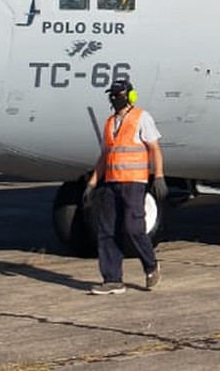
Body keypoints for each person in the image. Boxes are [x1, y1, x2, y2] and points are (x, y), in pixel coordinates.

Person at [84, 78, 167, 293]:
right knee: (107, 231)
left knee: (133, 229)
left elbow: (154, 148)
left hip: (134, 182)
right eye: (111, 94)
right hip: (111, 183)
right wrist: (92, 183)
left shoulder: (141, 117)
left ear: (130, 96)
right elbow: (105, 156)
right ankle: (112, 280)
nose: (114, 98)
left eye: (118, 94)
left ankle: (151, 266)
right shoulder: (110, 123)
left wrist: (158, 176)